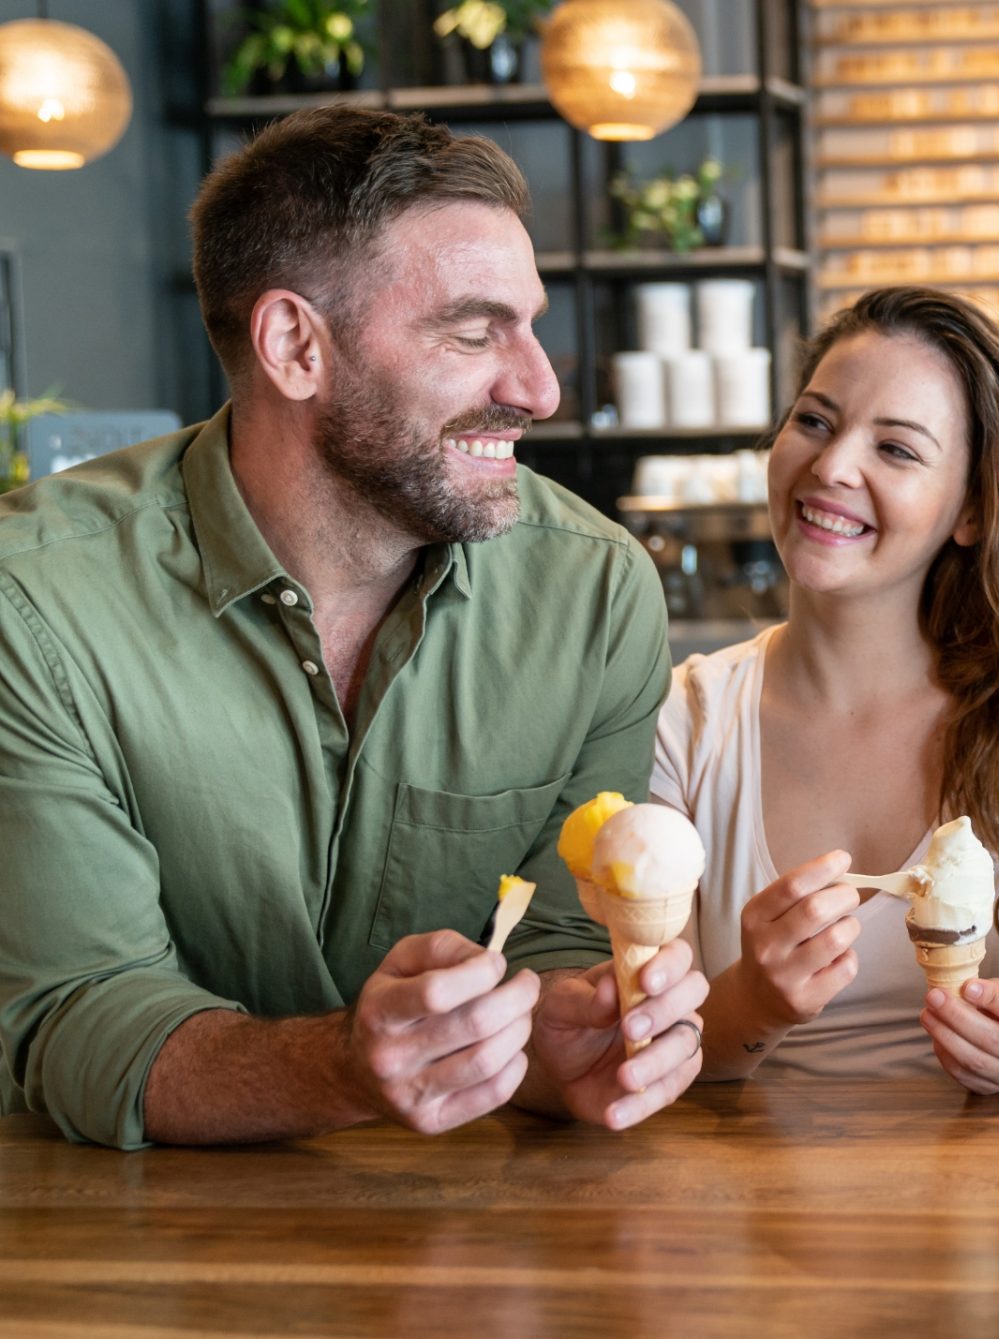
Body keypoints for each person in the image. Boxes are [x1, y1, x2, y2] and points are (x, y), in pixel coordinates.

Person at [0, 106, 707, 1148]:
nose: (540, 386)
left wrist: (575, 1041)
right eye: (474, 333)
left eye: (530, 324)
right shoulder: (36, 602)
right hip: (119, 1255)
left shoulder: (593, 595)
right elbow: (75, 1013)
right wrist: (342, 1064)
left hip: (481, 1254)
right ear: (294, 344)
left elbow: (559, 942)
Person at [654, 286, 999, 1092]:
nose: (831, 466)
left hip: (987, 1203)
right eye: (815, 421)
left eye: (896, 449)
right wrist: (752, 1002)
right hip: (740, 1204)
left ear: (967, 511)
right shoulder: (682, 722)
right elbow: (643, 1058)